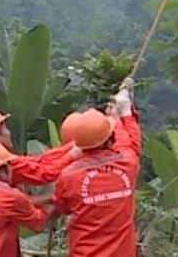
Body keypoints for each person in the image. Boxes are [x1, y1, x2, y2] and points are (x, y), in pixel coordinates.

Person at [52, 81, 142, 257]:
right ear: (109, 138)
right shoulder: (128, 163)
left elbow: (63, 207)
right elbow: (129, 144)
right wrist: (123, 113)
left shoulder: (68, 176)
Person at [0, 104, 80, 185]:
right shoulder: (1, 163)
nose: (8, 133)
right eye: (5, 128)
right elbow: (44, 173)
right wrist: (72, 154)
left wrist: (72, 147)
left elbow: (38, 161)